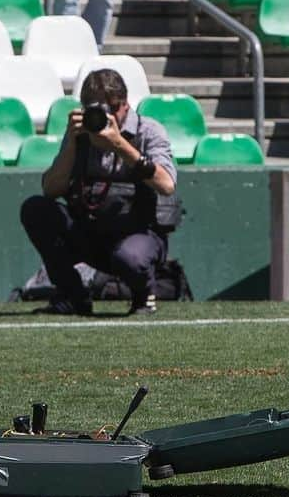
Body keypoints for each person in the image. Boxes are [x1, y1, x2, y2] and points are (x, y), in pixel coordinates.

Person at [20, 69, 178, 316]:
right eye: (96, 109)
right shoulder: (81, 134)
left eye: (113, 108)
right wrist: (71, 145)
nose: (105, 116)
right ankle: (73, 296)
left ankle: (142, 297)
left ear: (125, 105)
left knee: (131, 256)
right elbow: (51, 189)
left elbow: (167, 184)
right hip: (90, 232)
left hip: (137, 235)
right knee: (36, 209)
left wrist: (120, 145)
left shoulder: (149, 132)